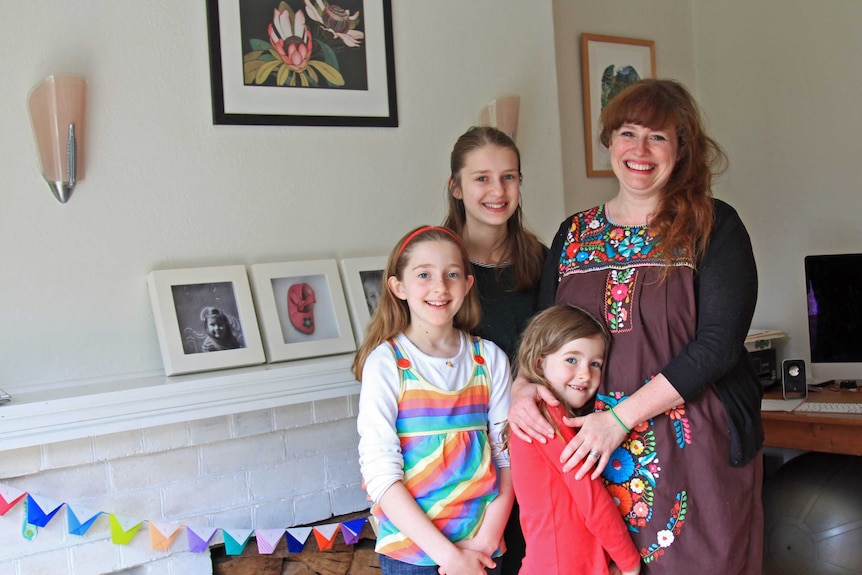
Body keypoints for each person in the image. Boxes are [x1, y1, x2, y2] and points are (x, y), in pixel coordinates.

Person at [507, 79, 763, 574]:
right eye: (627, 133)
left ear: (682, 149)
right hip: (588, 456)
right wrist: (521, 389)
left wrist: (619, 421)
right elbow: (540, 336)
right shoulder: (573, 234)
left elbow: (718, 346)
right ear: (609, 143)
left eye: (658, 137)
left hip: (693, 451)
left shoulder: (714, 226)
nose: (640, 150)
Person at [354, 226, 514, 575]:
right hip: (413, 555)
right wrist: (450, 557)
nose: (440, 286)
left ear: (468, 284)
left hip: (483, 550)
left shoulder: (490, 360)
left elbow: (508, 459)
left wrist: (485, 544)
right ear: (399, 287)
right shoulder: (387, 364)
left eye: (452, 274)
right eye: (424, 274)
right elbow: (381, 474)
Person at [442, 126, 546, 574]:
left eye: (509, 177)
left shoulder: (544, 260)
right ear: (456, 187)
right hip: (458, 455)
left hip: (534, 447)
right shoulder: (434, 265)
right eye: (481, 178)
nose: (497, 191)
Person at [508, 305, 640, 575]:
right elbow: (591, 500)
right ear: (539, 363)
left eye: (595, 364)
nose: (585, 374)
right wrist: (630, 563)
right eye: (572, 360)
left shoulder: (553, 416)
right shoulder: (545, 417)